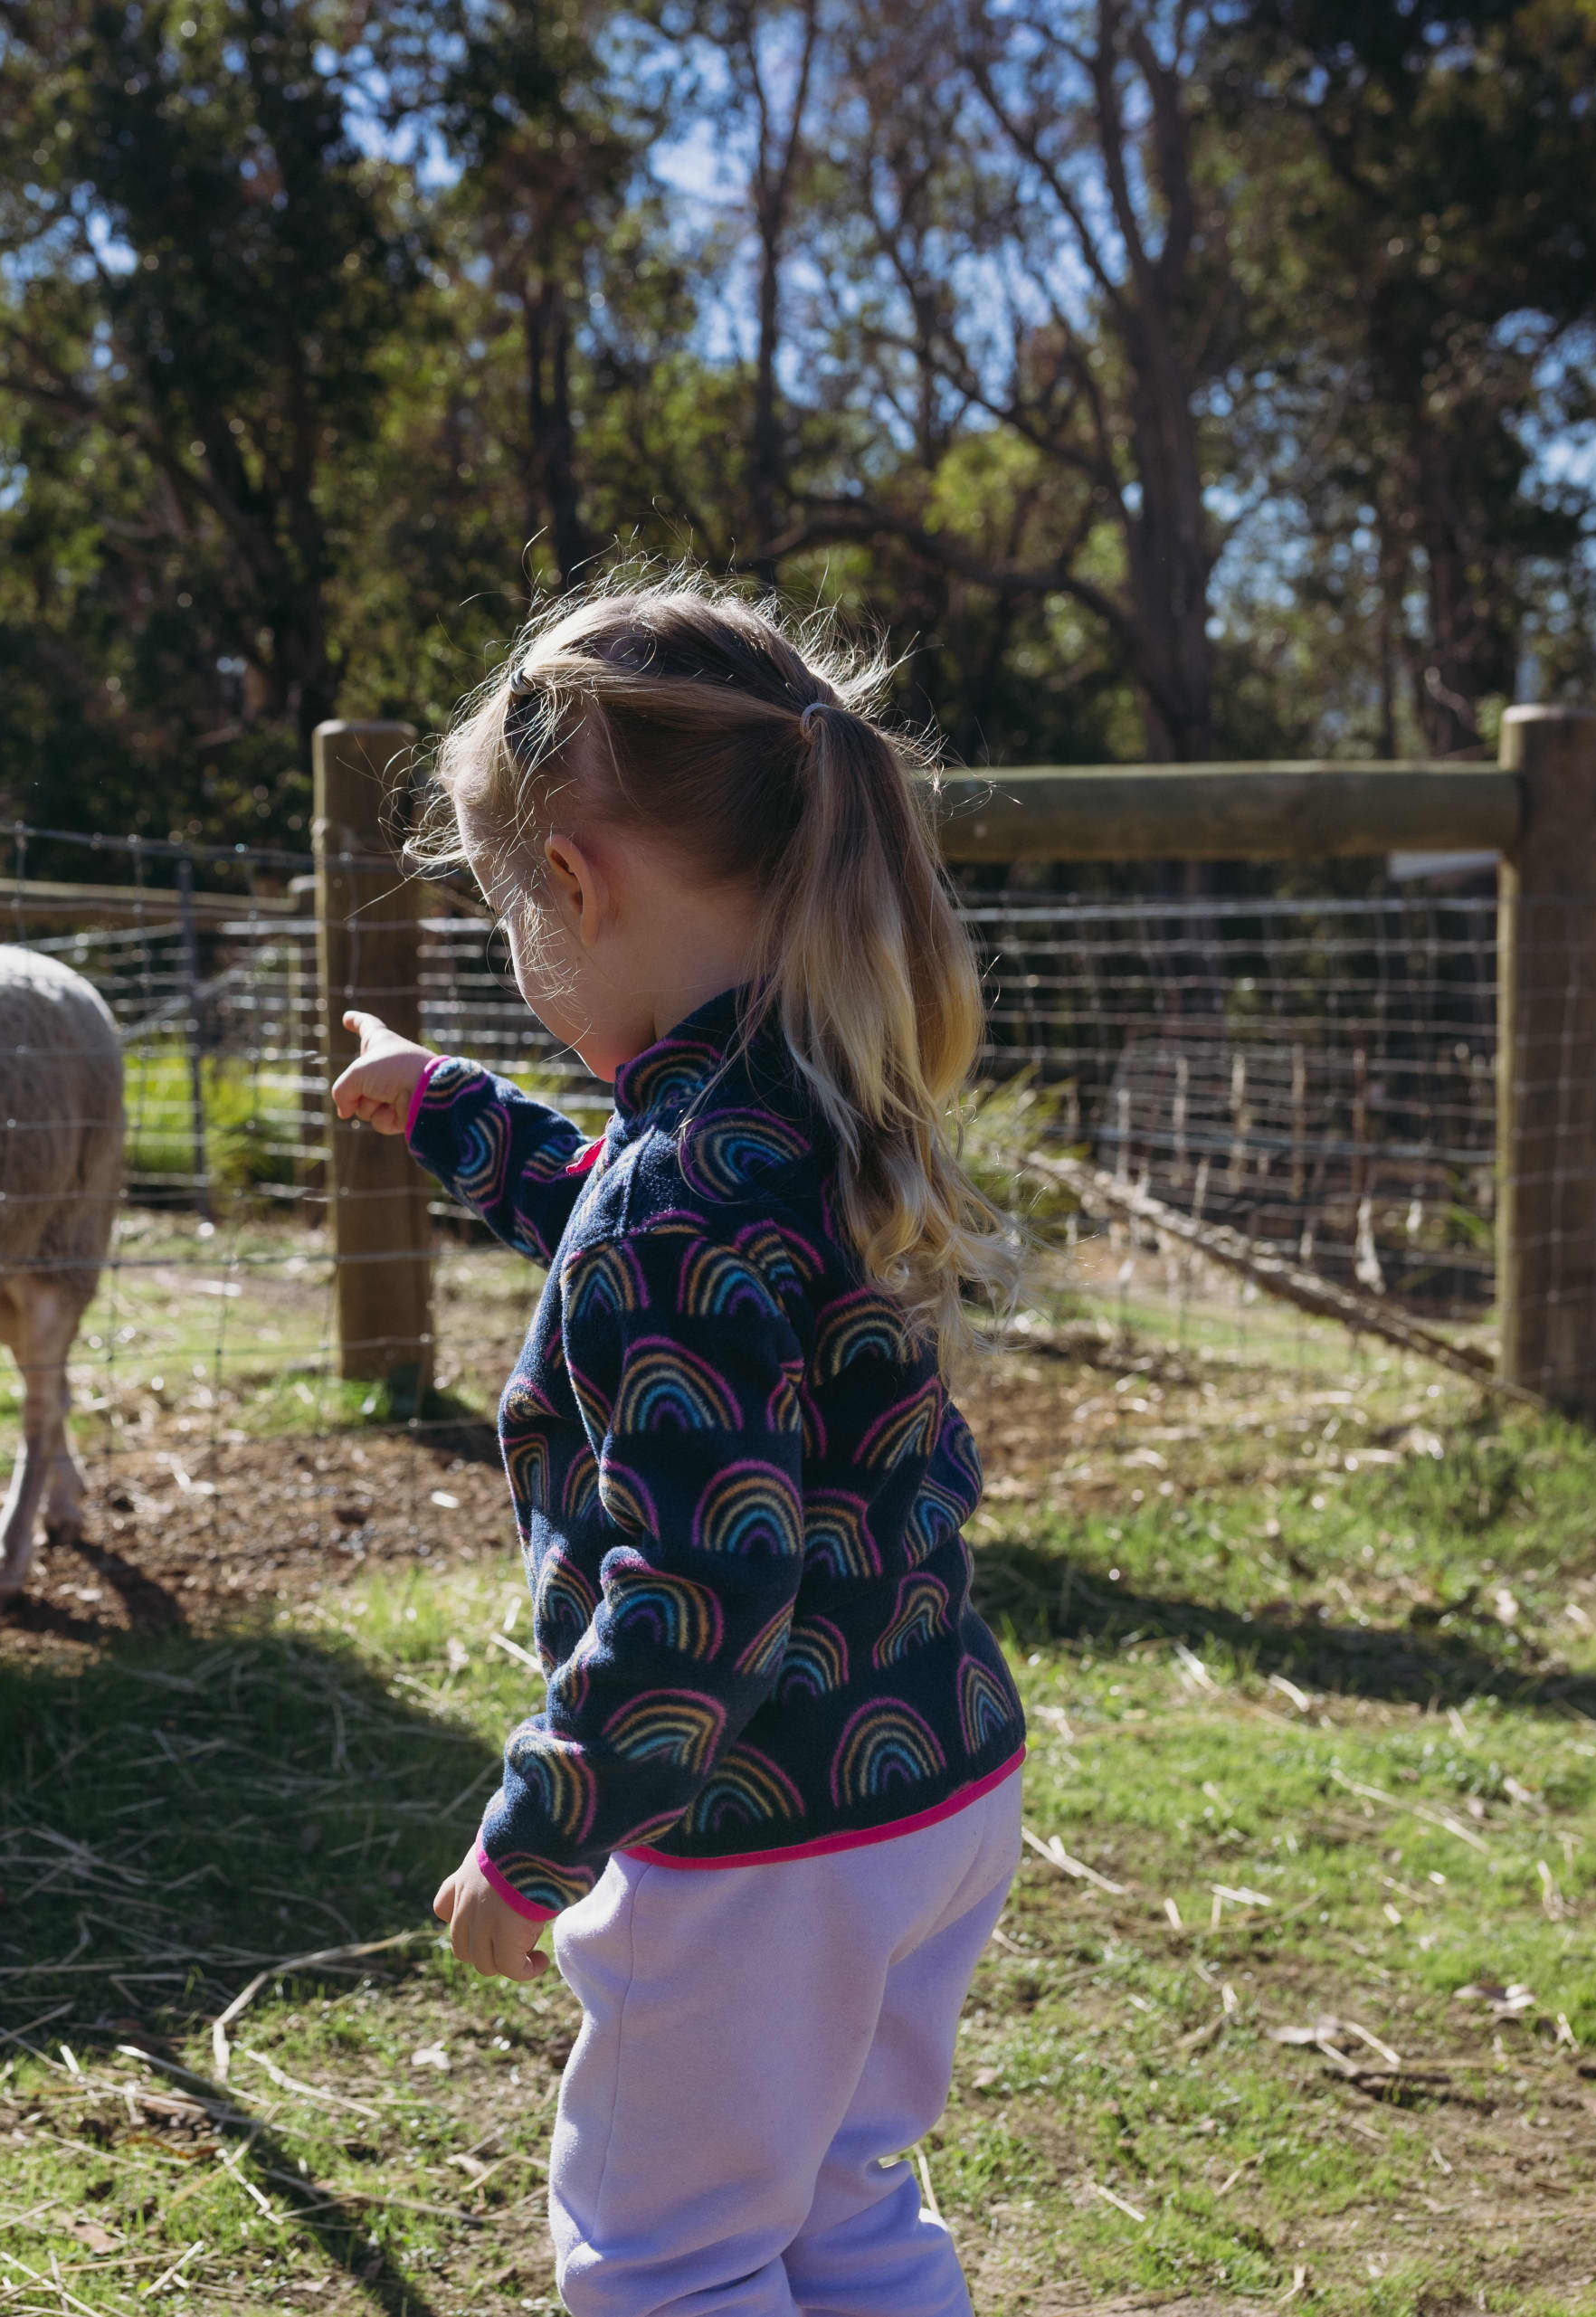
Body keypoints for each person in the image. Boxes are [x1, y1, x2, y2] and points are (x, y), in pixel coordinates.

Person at [330, 580, 1026, 2317]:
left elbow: (706, 1587)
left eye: (504, 909)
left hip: (757, 1839)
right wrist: (461, 1112)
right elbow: (632, 1229)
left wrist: (541, 1832)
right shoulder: (819, 1094)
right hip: (929, 1778)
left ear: (575, 883)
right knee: (849, 2204)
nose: (515, 946)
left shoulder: (681, 1189)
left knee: (668, 2254)